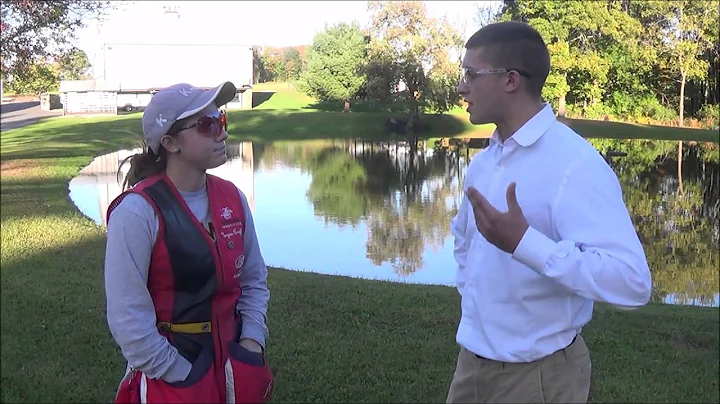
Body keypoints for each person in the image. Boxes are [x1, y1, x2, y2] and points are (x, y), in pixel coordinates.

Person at [446, 21, 652, 403]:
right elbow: (464, 240)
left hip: (539, 379)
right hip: (470, 368)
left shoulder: (575, 166)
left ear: (510, 80)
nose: (462, 88)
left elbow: (632, 283)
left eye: (471, 75)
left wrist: (526, 244)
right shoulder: (485, 161)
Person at [103, 81, 274, 403]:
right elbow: (128, 319)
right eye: (207, 126)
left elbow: (253, 279)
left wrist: (252, 342)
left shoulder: (233, 198)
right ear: (170, 142)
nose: (222, 133)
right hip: (174, 380)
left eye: (221, 120)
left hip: (235, 368)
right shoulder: (137, 213)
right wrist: (182, 375)